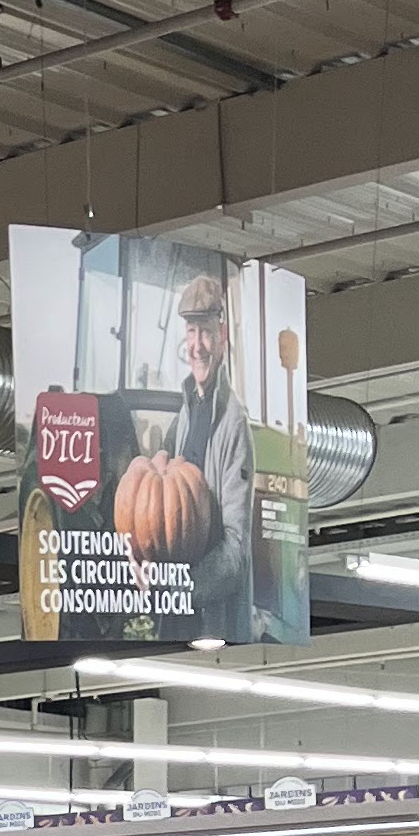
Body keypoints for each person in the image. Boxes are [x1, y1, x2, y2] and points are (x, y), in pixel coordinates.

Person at [172, 267, 259, 645]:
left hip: (214, 617)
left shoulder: (233, 422)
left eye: (205, 331)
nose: (198, 345)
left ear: (222, 336)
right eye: (191, 332)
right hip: (182, 612)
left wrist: (179, 591)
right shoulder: (187, 410)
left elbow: (236, 549)